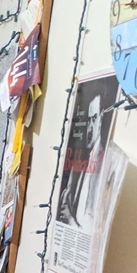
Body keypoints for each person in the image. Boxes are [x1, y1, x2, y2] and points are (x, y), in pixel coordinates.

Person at [58, 93, 104, 228]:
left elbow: (89, 226)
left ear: (101, 119)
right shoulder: (85, 156)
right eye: (88, 120)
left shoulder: (101, 161)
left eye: (94, 119)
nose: (90, 127)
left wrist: (69, 219)